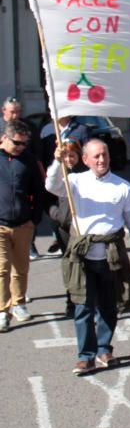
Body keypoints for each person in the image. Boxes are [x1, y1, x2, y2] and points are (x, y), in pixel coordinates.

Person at [46, 139, 130, 374]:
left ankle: (104, 349)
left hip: (111, 255)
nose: (101, 160)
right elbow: (51, 186)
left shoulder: (122, 186)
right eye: (96, 156)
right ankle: (85, 356)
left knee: (109, 305)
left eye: (104, 155)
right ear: (85, 160)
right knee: (82, 306)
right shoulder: (75, 181)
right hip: (82, 255)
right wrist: (57, 160)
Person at [0, 121, 45, 332]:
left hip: (23, 224)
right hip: (0, 225)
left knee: (20, 268)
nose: (21, 147)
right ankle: (2, 310)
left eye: (24, 144)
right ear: (5, 138)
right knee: (2, 269)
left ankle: (19, 303)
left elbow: (39, 192)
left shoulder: (28, 160)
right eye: (17, 143)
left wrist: (34, 219)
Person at [46, 139, 87, 317]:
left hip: (84, 227)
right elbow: (47, 200)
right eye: (66, 156)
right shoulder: (56, 174)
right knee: (70, 264)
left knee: (87, 264)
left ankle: (89, 298)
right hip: (64, 227)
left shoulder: (86, 174)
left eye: (72, 155)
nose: (69, 159)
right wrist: (59, 216)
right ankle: (71, 301)